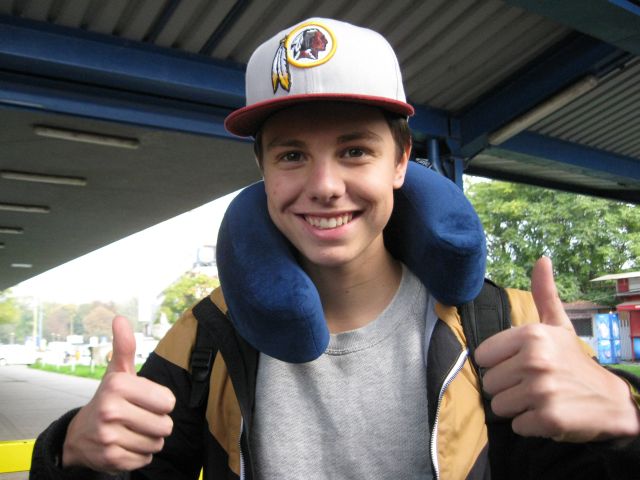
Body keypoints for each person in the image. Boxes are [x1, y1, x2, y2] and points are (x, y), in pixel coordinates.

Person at [30, 17, 640, 480]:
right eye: (292, 155)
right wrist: (71, 453)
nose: (324, 186)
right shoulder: (206, 336)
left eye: (355, 151)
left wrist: (625, 427)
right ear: (264, 171)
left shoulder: (506, 325)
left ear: (400, 162)